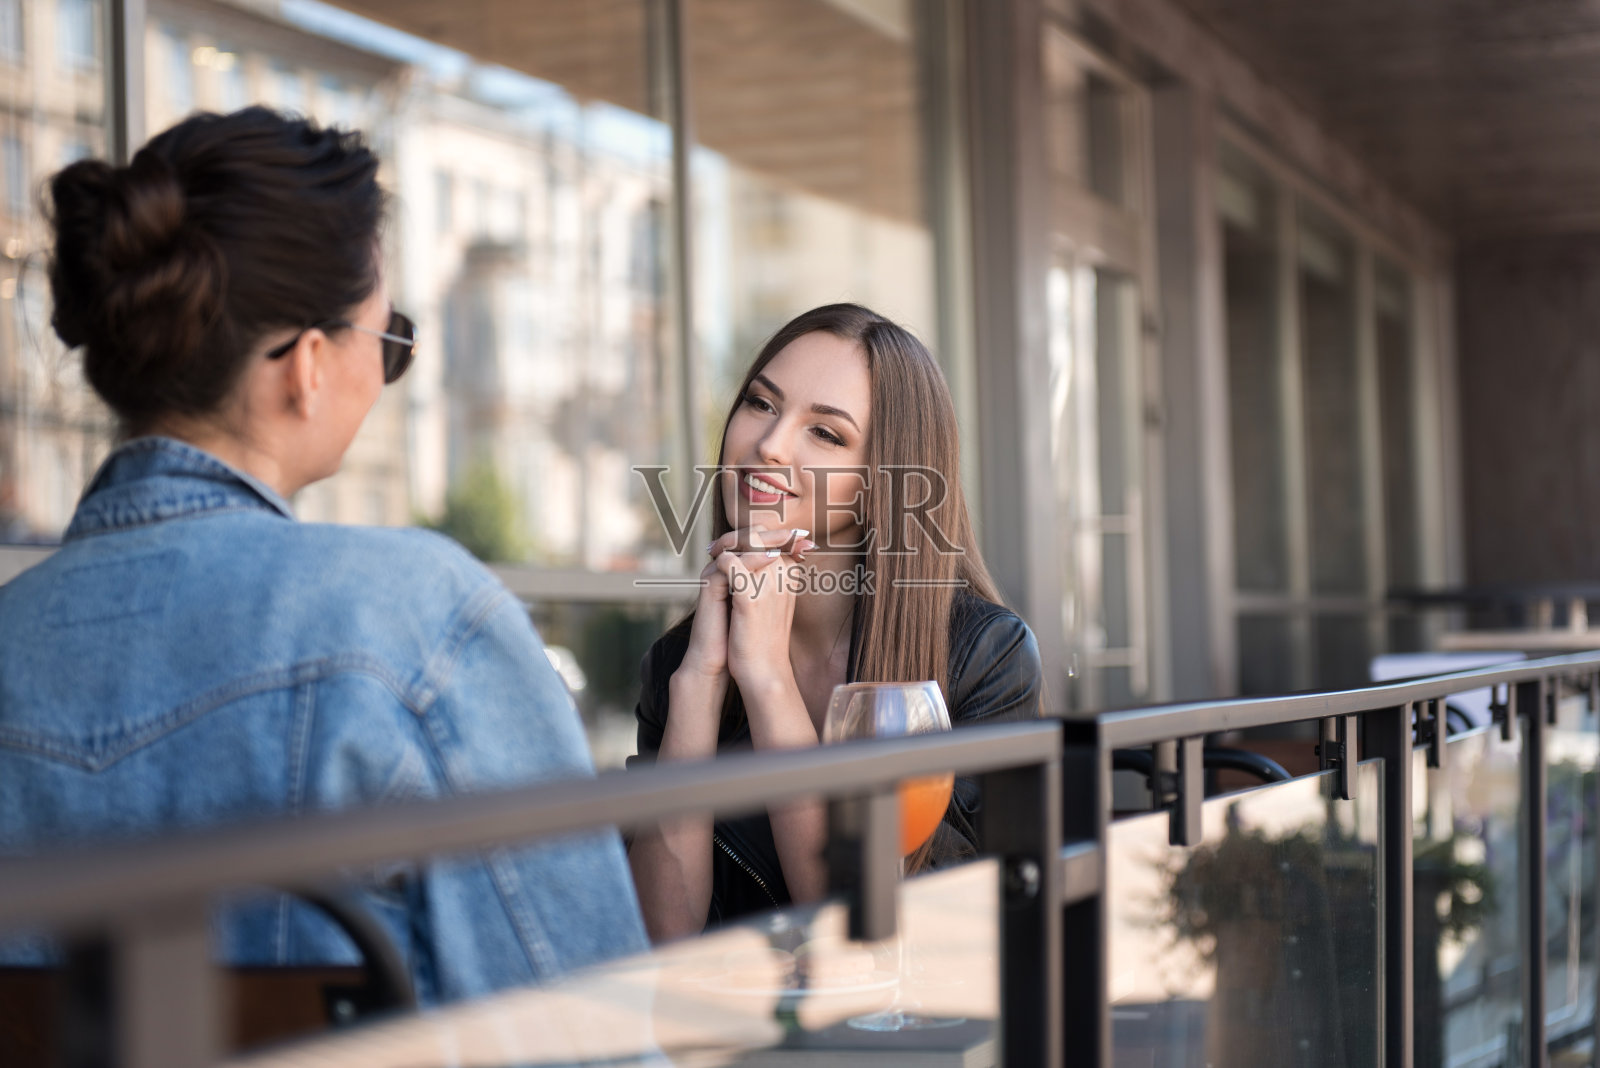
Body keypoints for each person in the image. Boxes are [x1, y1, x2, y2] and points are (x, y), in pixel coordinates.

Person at [0, 107, 647, 1003]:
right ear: (306, 365)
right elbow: (586, 1023)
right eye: (388, 343)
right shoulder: (418, 620)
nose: (385, 378)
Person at [627, 303, 1043, 941]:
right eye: (762, 404)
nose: (768, 444)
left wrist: (767, 679)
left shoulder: (985, 655)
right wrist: (698, 687)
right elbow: (662, 935)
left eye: (826, 433)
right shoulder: (677, 663)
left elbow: (879, 936)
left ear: (879, 481)